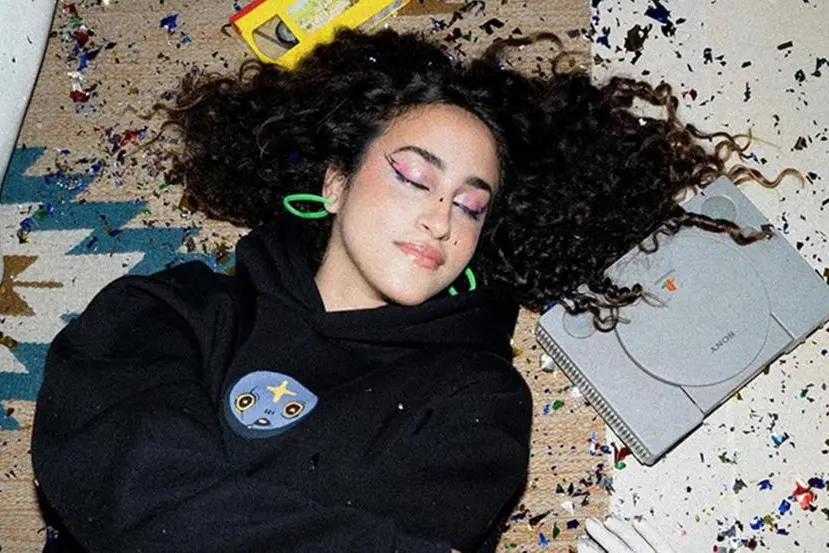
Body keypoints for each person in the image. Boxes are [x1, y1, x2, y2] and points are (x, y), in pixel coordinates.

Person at [30, 28, 792, 553]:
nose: (439, 217)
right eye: (413, 176)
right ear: (334, 182)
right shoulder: (171, 308)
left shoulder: (478, 400)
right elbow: (123, 482)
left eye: (470, 204)